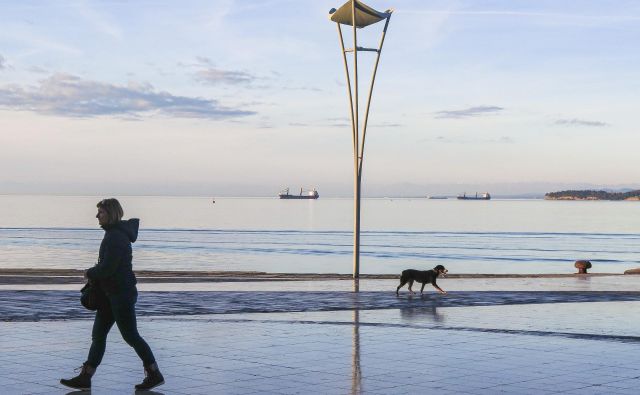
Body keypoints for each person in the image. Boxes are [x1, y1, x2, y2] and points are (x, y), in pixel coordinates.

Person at [60, 198, 164, 391]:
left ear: (111, 213)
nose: (97, 216)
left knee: (131, 336)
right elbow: (108, 266)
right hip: (110, 294)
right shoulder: (114, 234)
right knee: (98, 335)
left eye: (100, 212)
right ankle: (86, 376)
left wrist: (90, 272)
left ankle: (154, 373)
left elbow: (108, 268)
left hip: (121, 295)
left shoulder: (116, 236)